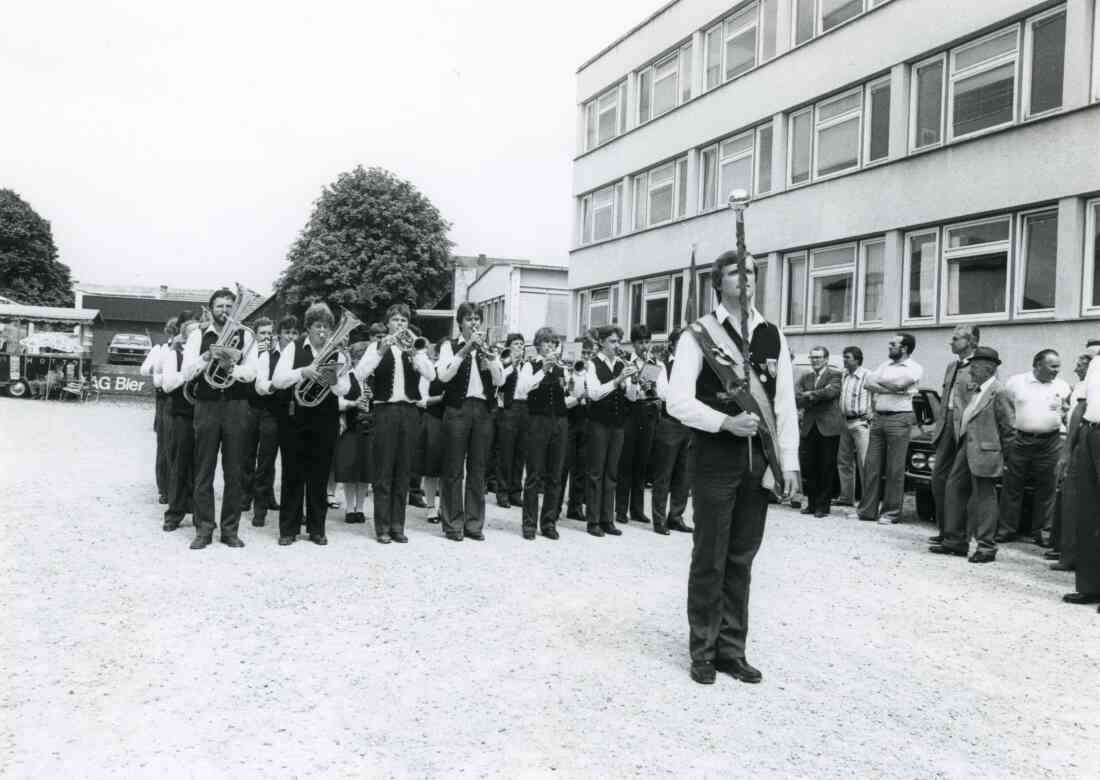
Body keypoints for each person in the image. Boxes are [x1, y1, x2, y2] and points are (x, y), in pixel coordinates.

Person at [667, 250, 800, 686]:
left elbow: (784, 406)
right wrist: (724, 421)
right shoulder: (698, 335)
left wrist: (788, 463)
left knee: (742, 557)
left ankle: (732, 650)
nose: (744, 279)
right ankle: (702, 650)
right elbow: (677, 401)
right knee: (710, 557)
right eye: (733, 272)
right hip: (713, 459)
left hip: (757, 461)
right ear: (717, 282)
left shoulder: (771, 334)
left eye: (751, 272)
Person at [181, 288, 259, 549]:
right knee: (203, 469)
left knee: (234, 471)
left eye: (229, 306)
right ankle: (204, 529)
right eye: (220, 306)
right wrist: (207, 357)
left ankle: (230, 530)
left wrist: (231, 368)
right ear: (210, 309)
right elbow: (187, 371)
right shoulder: (197, 335)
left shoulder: (246, 336)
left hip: (236, 405)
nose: (224, 311)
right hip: (207, 405)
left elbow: (252, 373)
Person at [271, 303, 353, 546]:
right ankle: (288, 529)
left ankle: (317, 529)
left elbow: (346, 388)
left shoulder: (337, 354)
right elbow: (277, 379)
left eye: (327, 327)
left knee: (319, 475)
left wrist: (333, 381)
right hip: (295, 419)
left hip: (324, 420)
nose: (323, 332)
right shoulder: (294, 349)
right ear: (308, 328)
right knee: (292, 474)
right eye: (318, 326)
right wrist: (302, 372)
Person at [354, 304, 436, 544]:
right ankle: (382, 527)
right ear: (388, 323)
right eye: (396, 320)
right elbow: (359, 374)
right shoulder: (375, 347)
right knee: (383, 470)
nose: (400, 324)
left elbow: (431, 375)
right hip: (384, 410)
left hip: (409, 411)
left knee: (403, 470)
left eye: (403, 321)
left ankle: (398, 526)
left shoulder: (415, 348)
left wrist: (416, 355)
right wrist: (381, 350)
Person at [929, 347, 1014, 563]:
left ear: (989, 368)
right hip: (965, 447)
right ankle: (954, 541)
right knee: (954, 489)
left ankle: (986, 547)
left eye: (975, 366)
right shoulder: (976, 391)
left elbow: (1009, 429)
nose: (972, 370)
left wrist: (1007, 459)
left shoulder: (999, 391)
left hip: (987, 452)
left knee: (985, 499)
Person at [436, 303, 504, 542]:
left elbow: (500, 380)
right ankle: (453, 524)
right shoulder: (449, 346)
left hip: (483, 411)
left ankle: (474, 524)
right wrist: (464, 350)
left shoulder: (489, 348)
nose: (474, 323)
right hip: (458, 409)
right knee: (453, 469)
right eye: (469, 319)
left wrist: (491, 357)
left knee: (478, 469)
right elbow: (443, 376)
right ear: (460, 323)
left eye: (477, 319)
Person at [997, 349, 1071, 546]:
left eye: (1058, 366)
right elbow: (1004, 407)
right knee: (1012, 486)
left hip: (1051, 442)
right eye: (1053, 366)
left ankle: (1043, 532)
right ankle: (1006, 530)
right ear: (1038, 364)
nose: (1057, 370)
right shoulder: (1016, 382)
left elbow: (1066, 412)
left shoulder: (1062, 386)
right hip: (1020, 440)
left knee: (1047, 488)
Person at [516, 327, 576, 540]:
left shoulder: (562, 369)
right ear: (538, 345)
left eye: (553, 343)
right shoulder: (529, 365)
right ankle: (529, 524)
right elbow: (522, 390)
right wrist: (543, 369)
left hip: (559, 422)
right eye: (546, 343)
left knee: (556, 475)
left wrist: (574, 382)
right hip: (537, 421)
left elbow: (570, 396)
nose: (550, 347)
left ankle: (549, 522)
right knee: (533, 474)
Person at [858, 334, 923, 525]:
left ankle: (891, 513)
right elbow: (868, 383)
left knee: (895, 469)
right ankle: (867, 511)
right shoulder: (885, 365)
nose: (889, 346)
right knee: (871, 466)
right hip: (879, 418)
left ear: (904, 348)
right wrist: (892, 388)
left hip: (899, 419)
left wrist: (883, 384)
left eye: (893, 344)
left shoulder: (915, 367)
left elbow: (900, 384)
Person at [583, 325, 635, 538]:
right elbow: (594, 394)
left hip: (617, 424)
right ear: (602, 342)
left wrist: (633, 382)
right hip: (598, 423)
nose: (617, 346)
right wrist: (617, 381)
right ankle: (593, 520)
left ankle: (607, 519)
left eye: (619, 342)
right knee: (596, 472)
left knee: (612, 473)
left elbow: (632, 397)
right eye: (613, 342)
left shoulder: (623, 363)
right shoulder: (592, 364)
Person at [928, 326, 979, 544]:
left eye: (956, 339)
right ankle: (945, 529)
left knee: (959, 483)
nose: (951, 342)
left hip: (966, 427)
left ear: (971, 341)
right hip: (946, 425)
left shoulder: (980, 366)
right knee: (938, 478)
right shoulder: (952, 366)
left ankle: (960, 533)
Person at [1050, 348, 1098, 571]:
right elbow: (1079, 409)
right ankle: (1080, 572)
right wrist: (1067, 450)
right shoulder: (1090, 373)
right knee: (1080, 506)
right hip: (1085, 438)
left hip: (1090, 439)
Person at [1062, 345, 1100, 609]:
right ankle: (1089, 586)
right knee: (1086, 512)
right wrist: (1068, 449)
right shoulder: (1097, 363)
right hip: (1090, 434)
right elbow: (1081, 405)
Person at [617, 324, 660, 525]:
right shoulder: (627, 362)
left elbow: (659, 392)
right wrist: (636, 381)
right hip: (631, 412)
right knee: (627, 462)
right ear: (633, 344)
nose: (644, 346)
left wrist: (654, 387)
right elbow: (630, 395)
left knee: (642, 462)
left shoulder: (654, 363)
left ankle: (637, 509)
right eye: (641, 343)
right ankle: (621, 509)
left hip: (648, 412)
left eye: (647, 342)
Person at [651, 329, 693, 535]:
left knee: (683, 474)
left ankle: (676, 516)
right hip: (670, 423)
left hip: (689, 423)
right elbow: (663, 392)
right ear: (673, 344)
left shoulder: (694, 366)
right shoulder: (662, 365)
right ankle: (659, 519)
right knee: (664, 474)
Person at [160, 312, 198, 532]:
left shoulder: (205, 356)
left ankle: (196, 510)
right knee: (180, 465)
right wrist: (187, 373)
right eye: (192, 334)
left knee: (200, 467)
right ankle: (174, 514)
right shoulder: (175, 355)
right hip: (182, 415)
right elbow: (167, 385)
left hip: (203, 414)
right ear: (184, 337)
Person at [240, 317, 281, 523]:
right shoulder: (249, 353)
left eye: (269, 333)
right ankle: (245, 496)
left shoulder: (278, 354)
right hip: (250, 408)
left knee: (266, 459)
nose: (266, 336)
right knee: (247, 456)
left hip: (271, 411)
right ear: (255, 334)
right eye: (262, 333)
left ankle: (261, 507)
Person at [796, 346, 843, 517]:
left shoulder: (835, 375)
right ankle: (811, 503)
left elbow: (831, 393)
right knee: (810, 467)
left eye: (818, 357)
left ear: (826, 359)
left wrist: (810, 395)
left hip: (828, 428)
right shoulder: (806, 376)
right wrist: (814, 395)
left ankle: (823, 506)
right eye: (812, 357)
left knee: (826, 466)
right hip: (809, 427)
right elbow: (797, 398)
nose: (814, 360)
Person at [334, 341, 374, 525]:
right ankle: (350, 508)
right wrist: (353, 403)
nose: (360, 362)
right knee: (350, 470)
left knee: (366, 470)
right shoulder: (347, 377)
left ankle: (360, 508)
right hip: (351, 427)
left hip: (369, 428)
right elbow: (338, 402)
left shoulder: (372, 379)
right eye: (357, 358)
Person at [142, 318, 176, 504]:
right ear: (170, 332)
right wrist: (161, 369)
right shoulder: (160, 349)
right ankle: (164, 488)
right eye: (175, 331)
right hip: (165, 399)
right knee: (165, 445)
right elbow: (144, 369)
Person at [560, 336, 594, 522]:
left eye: (589, 353)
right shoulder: (567, 370)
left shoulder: (590, 370)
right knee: (563, 465)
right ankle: (556, 506)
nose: (586, 356)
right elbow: (565, 398)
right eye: (584, 353)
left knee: (581, 467)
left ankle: (575, 506)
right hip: (569, 419)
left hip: (586, 419)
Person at [413, 342, 447, 524]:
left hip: (451, 422)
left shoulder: (455, 371)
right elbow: (421, 400)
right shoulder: (430, 371)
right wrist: (440, 399)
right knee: (431, 468)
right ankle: (431, 507)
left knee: (447, 467)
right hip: (433, 421)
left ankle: (444, 506)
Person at [494, 332, 528, 508]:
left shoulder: (528, 365)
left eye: (521, 345)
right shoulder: (503, 363)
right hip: (508, 408)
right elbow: (498, 383)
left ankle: (516, 492)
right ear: (509, 347)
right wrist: (511, 366)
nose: (519, 348)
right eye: (516, 344)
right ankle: (503, 492)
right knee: (506, 453)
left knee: (520, 453)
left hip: (525, 409)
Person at [835, 346, 872, 508]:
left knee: (864, 462)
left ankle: (867, 499)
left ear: (857, 359)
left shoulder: (867, 375)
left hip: (860, 423)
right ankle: (846, 496)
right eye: (844, 357)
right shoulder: (844, 375)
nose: (844, 360)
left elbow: (877, 394)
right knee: (844, 461)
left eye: (847, 357)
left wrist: (873, 413)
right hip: (845, 422)